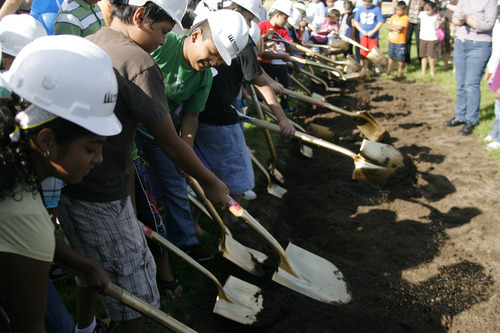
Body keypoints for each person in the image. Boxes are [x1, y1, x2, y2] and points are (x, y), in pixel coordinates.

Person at [56, 1, 229, 332]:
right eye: (163, 32)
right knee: (136, 288)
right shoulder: (139, 63)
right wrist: (210, 182)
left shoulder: (92, 41)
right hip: (102, 192)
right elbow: (168, 139)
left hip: (74, 186)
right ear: (139, 16)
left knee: (88, 261)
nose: (165, 41)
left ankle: (85, 327)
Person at [0, 34, 119, 333]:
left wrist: (85, 264)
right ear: (47, 140)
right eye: (91, 149)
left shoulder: (12, 158)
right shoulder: (24, 215)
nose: (99, 159)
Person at [134, 9, 250, 263]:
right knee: (136, 188)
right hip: (130, 126)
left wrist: (184, 153)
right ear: (196, 35)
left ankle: (185, 241)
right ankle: (139, 246)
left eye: (221, 59)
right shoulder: (163, 46)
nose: (215, 62)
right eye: (213, 54)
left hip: (163, 133)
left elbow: (191, 117)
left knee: (177, 184)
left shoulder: (205, 76)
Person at [195, 0, 295, 226]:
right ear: (238, 12)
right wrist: (281, 118)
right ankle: (232, 222)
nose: (250, 24)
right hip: (219, 119)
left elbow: (253, 76)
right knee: (237, 176)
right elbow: (259, 81)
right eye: (250, 18)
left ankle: (198, 222)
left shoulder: (206, 25)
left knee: (206, 174)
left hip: (196, 115)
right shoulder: (242, 40)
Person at [443, 0, 497, 136]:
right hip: (461, 43)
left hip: (479, 46)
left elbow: (488, 26)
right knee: (460, 84)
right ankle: (460, 116)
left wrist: (467, 19)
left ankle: (471, 120)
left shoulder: (490, 2)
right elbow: (455, 19)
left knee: (471, 84)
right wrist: (459, 19)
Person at [258, 0, 301, 113]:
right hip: (262, 63)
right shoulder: (262, 26)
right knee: (265, 87)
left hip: (276, 62)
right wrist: (265, 36)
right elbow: (256, 44)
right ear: (278, 15)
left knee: (283, 85)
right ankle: (263, 108)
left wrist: (305, 51)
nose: (286, 22)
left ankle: (284, 106)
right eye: (285, 18)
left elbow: (290, 44)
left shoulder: (282, 30)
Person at [483, 5, 500, 150]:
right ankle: (495, 132)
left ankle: (499, 140)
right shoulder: (498, 26)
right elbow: (497, 50)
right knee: (498, 109)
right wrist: (490, 67)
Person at [352, 0, 384, 73]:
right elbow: (356, 21)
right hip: (363, 35)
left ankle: (377, 67)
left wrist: (373, 31)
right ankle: (365, 68)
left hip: (373, 36)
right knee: (363, 52)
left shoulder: (376, 9)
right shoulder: (360, 9)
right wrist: (361, 30)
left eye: (368, 5)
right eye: (364, 4)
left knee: (374, 52)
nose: (366, 6)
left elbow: (380, 21)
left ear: (371, 2)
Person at [384, 1, 408, 77]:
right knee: (390, 56)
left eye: (399, 10)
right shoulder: (393, 16)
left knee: (400, 57)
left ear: (404, 10)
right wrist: (395, 27)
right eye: (397, 10)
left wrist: (392, 26)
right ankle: (388, 70)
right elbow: (388, 26)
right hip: (392, 40)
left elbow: (400, 28)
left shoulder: (405, 18)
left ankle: (399, 71)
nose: (398, 12)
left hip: (400, 41)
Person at [418, 1, 439, 77]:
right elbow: (420, 22)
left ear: (434, 9)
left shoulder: (435, 16)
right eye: (425, 9)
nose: (427, 12)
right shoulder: (422, 14)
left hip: (432, 38)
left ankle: (432, 72)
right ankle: (423, 71)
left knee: (431, 56)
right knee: (423, 56)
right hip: (423, 37)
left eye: (428, 10)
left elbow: (438, 26)